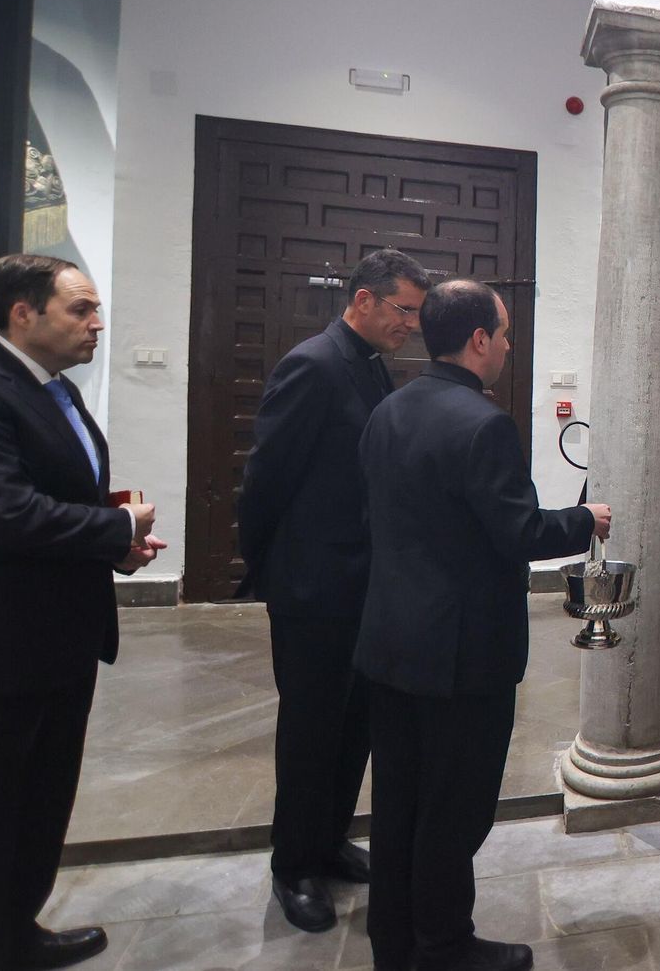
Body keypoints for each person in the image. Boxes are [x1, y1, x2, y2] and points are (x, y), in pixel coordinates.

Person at [356, 280, 609, 971]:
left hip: (389, 642)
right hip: (461, 654)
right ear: (477, 340)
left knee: (401, 805)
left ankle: (396, 943)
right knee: (454, 811)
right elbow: (518, 531)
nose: (505, 348)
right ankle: (441, 946)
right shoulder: (483, 423)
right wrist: (586, 519)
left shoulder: (390, 408)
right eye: (502, 335)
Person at [0, 255, 164, 971]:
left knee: (41, 805)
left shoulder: (57, 391)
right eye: (80, 309)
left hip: (63, 642)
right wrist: (117, 529)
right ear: (23, 314)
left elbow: (60, 501)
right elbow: (8, 513)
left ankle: (18, 931)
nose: (97, 323)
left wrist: (115, 549)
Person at [236, 247, 430, 932]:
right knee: (311, 731)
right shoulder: (313, 366)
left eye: (417, 312)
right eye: (403, 309)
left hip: (364, 586)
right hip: (314, 590)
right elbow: (267, 481)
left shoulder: (371, 367)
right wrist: (264, 566)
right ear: (364, 300)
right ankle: (293, 866)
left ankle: (328, 840)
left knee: (354, 729)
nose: (411, 324)